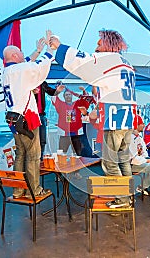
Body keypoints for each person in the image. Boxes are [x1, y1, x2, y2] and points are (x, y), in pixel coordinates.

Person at [50, 29, 137, 208]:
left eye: (99, 44)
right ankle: (128, 194)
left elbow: (82, 62)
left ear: (108, 44)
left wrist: (58, 46)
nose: (96, 47)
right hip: (127, 120)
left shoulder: (108, 60)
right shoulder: (127, 64)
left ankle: (122, 199)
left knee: (109, 163)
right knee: (123, 161)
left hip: (114, 120)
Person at [2, 32, 54, 198]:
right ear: (15, 55)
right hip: (26, 119)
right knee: (33, 155)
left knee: (20, 155)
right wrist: (49, 49)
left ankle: (18, 190)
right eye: (21, 52)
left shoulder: (7, 72)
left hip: (13, 119)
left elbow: (25, 65)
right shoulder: (19, 70)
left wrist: (37, 50)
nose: (24, 54)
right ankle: (35, 190)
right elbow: (36, 67)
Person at [51, 85, 91, 155]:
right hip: (64, 134)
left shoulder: (78, 104)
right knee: (61, 154)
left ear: (72, 96)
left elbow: (86, 100)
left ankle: (79, 166)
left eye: (69, 94)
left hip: (76, 133)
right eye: (66, 95)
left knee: (78, 154)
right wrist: (57, 91)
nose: (68, 96)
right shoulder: (60, 104)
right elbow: (54, 100)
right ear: (64, 97)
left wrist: (84, 91)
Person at [33, 81, 59, 162]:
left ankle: (40, 160)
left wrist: (58, 90)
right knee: (32, 140)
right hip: (32, 115)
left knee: (42, 139)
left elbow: (51, 92)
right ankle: (33, 161)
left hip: (41, 115)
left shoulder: (43, 83)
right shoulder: (30, 82)